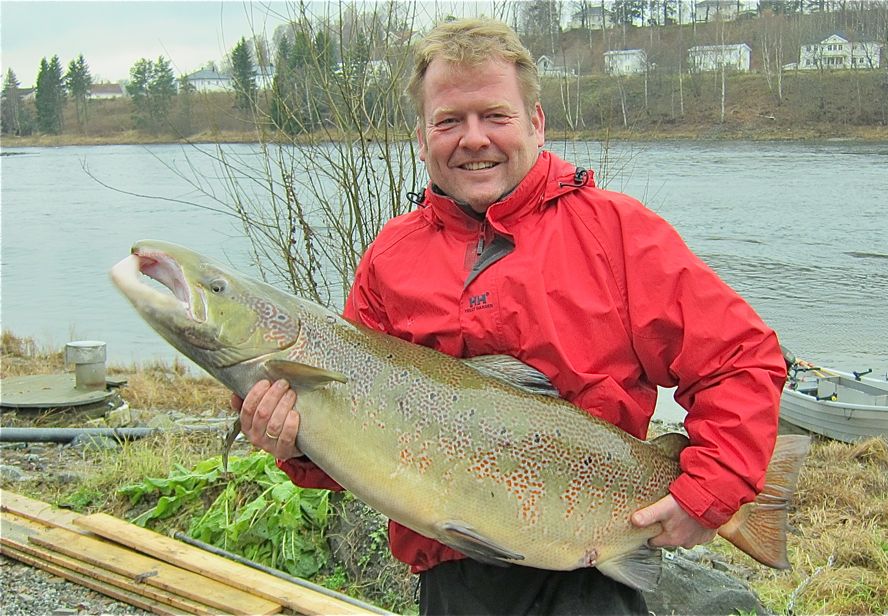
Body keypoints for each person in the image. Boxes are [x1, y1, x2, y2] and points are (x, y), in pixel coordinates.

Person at [233, 17, 786, 615]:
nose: (473, 139)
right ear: (421, 136)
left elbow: (741, 358)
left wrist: (712, 488)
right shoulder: (387, 262)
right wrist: (295, 443)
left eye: (495, 116)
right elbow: (361, 444)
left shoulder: (615, 233)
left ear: (536, 123)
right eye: (449, 121)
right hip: (452, 579)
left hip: (592, 576)